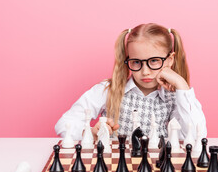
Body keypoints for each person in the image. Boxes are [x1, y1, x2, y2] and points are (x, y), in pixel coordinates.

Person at [55, 23, 207, 141]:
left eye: (154, 61)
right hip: (115, 168)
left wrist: (181, 84)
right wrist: (89, 133)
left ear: (169, 60)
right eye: (135, 62)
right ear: (127, 60)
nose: (145, 71)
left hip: (155, 170)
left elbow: (196, 137)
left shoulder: (174, 97)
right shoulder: (108, 90)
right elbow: (63, 124)